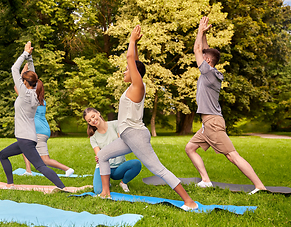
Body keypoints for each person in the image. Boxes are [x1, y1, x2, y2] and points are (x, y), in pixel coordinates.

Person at [96, 25, 198, 210]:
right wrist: (135, 45)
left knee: (157, 169)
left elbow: (130, 60)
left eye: (127, 70)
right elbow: (133, 59)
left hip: (136, 135)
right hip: (127, 135)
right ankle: (105, 193)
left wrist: (132, 40)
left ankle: (189, 202)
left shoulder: (138, 87)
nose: (124, 72)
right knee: (103, 155)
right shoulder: (131, 88)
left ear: (135, 73)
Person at [185, 16, 266, 195]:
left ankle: (260, 186)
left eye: (202, 57)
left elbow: (197, 48)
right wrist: (205, 33)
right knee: (190, 148)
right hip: (208, 124)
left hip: (213, 123)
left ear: (207, 61)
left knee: (232, 155)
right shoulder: (210, 71)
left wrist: (199, 29)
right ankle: (206, 180)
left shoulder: (208, 73)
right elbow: (204, 49)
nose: (199, 57)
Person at [0, 41, 82, 193]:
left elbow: (14, 68)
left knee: (41, 166)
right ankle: (10, 184)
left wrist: (24, 54)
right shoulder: (36, 94)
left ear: (25, 83)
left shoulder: (24, 94)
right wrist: (29, 58)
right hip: (28, 137)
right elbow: (33, 75)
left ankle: (63, 187)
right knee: (3, 154)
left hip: (25, 138)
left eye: (23, 80)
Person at [14, 64, 74, 177]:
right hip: (44, 129)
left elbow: (17, 86)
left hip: (37, 130)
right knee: (24, 148)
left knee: (45, 159)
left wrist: (23, 72)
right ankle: (28, 171)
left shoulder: (29, 98)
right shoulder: (41, 100)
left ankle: (67, 169)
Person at [83, 107, 142, 194]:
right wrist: (98, 158)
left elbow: (122, 143)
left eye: (93, 116)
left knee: (136, 163)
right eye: (89, 120)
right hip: (104, 168)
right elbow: (99, 154)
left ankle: (123, 183)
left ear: (98, 113)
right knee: (99, 191)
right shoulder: (93, 137)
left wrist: (111, 153)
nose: (92, 120)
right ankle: (107, 181)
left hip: (118, 167)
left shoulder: (115, 124)